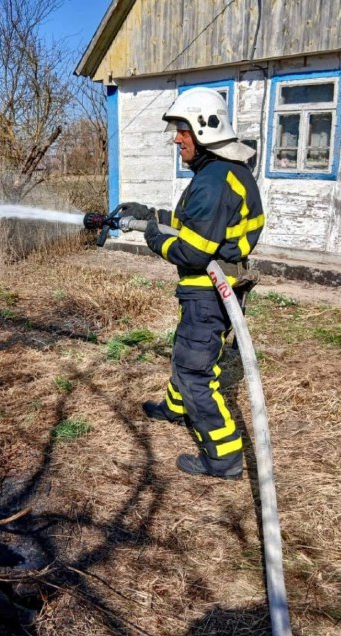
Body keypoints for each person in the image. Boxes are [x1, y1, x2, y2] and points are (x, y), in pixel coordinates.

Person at [120, 87, 265, 481]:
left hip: (208, 293)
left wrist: (152, 235)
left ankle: (223, 457)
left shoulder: (213, 181)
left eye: (182, 130)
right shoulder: (223, 173)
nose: (176, 138)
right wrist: (150, 213)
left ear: (204, 129)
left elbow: (190, 252)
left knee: (195, 371)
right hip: (215, 291)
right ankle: (176, 408)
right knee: (187, 351)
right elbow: (197, 223)